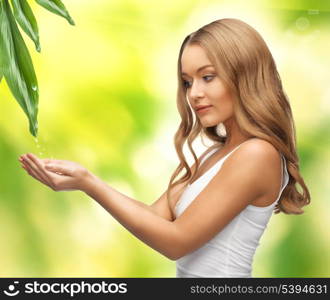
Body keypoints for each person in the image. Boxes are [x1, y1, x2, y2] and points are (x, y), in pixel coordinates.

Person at [19, 18, 311, 277]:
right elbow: (154, 219)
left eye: (207, 77)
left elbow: (176, 242)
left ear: (243, 74)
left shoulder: (257, 154)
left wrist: (90, 183)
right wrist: (83, 182)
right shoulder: (214, 154)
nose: (194, 94)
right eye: (187, 82)